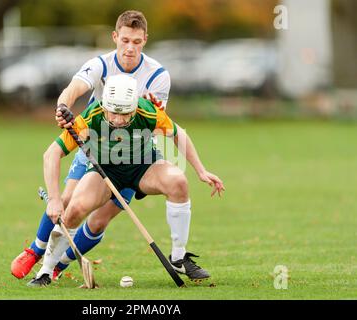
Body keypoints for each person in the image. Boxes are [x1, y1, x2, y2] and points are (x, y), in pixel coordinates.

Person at [11, 10, 172, 280]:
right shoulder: (101, 64)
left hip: (132, 156)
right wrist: (63, 106)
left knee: (99, 220)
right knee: (66, 201)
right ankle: (35, 252)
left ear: (145, 39)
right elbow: (74, 88)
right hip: (93, 145)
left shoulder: (158, 74)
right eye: (124, 40)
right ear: (115, 37)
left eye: (136, 41)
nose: (130, 47)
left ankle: (59, 266)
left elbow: (157, 122)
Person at [27, 74, 225, 287]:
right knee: (75, 209)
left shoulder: (147, 111)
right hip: (106, 171)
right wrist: (55, 199)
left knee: (178, 182)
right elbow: (52, 154)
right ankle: (45, 271)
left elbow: (178, 134)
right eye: (114, 113)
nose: (120, 120)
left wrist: (201, 170)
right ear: (105, 107)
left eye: (126, 113)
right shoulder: (91, 117)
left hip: (144, 166)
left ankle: (178, 257)